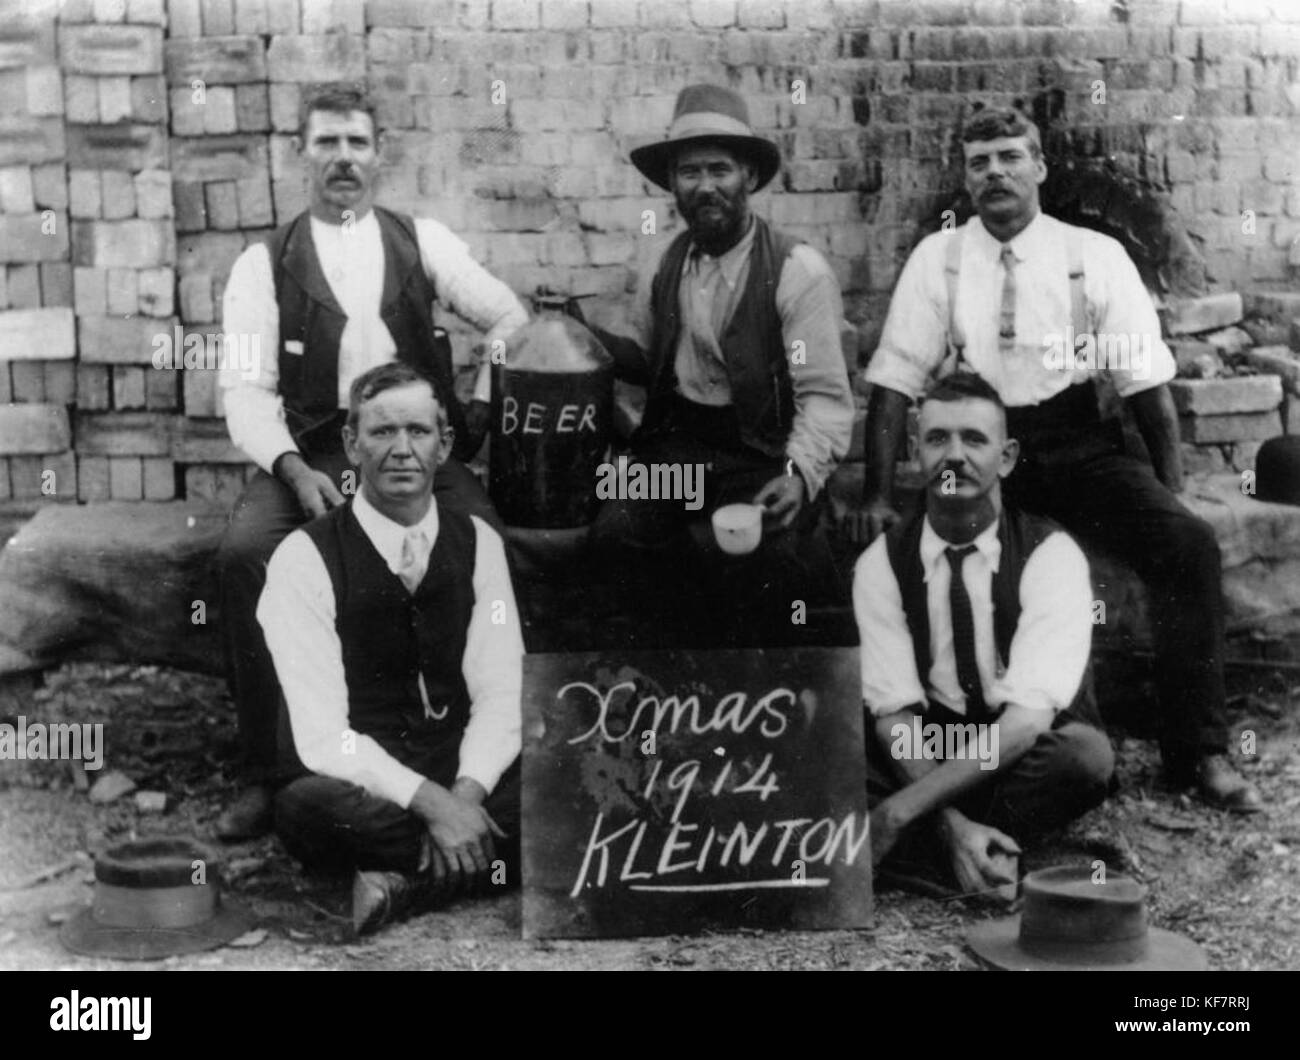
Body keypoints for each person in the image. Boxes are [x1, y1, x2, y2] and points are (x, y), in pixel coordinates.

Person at [847, 106, 1260, 813]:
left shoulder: (1092, 256)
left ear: (1039, 167)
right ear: (966, 178)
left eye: (1011, 157)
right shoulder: (938, 258)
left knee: (1186, 545)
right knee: (904, 556)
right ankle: (952, 749)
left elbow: (1147, 389)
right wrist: (880, 494)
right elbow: (893, 384)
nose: (995, 173)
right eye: (980, 162)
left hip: (1076, 443)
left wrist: (1170, 494)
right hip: (978, 444)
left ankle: (1200, 751)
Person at [215, 86, 528, 839]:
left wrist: (476, 411)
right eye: (327, 143)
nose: (343, 159)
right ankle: (271, 768)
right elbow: (244, 390)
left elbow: (510, 317)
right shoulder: (264, 264)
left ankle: (466, 756)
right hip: (316, 452)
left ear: (379, 154)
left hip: (410, 449)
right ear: (302, 155)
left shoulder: (422, 241)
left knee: (483, 540)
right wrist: (293, 468)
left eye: (356, 142)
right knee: (244, 556)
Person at [258, 363, 523, 936]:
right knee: (306, 808)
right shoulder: (303, 558)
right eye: (381, 433)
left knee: (557, 779)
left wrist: (465, 794)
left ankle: (403, 886)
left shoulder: (479, 543)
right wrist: (434, 806)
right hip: (361, 782)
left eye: (419, 431)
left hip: (454, 771)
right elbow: (325, 736)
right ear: (352, 445)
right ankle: (476, 858)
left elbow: (501, 691)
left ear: (445, 444)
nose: (402, 450)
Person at [590, 84, 855, 648]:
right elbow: (650, 361)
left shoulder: (796, 272)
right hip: (679, 451)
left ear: (749, 179)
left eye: (720, 170)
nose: (705, 186)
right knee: (616, 529)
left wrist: (798, 474)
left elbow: (825, 398)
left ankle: (752, 702)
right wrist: (582, 338)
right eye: (690, 173)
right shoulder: (662, 260)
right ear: (673, 186)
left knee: (769, 558)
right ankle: (656, 688)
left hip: (759, 453)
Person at [855, 372, 1113, 898]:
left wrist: (901, 811)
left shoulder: (1050, 555)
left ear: (1008, 455)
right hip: (924, 750)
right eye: (937, 439)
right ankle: (970, 847)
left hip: (1012, 754)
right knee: (833, 758)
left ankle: (916, 848)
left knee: (1083, 757)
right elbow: (895, 718)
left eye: (974, 439)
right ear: (912, 452)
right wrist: (952, 821)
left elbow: (1023, 725)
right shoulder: (880, 564)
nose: (954, 456)